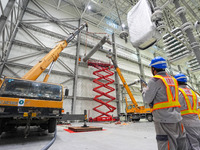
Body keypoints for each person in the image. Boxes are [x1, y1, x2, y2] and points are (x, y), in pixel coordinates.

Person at [142, 56, 188, 150]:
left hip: (164, 119)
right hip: (177, 117)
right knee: (180, 143)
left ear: (153, 69)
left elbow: (147, 99)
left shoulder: (154, 80)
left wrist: (144, 90)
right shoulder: (174, 80)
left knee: (165, 143)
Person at [174, 73, 200, 150]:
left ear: (176, 82)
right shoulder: (193, 93)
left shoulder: (178, 93)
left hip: (186, 122)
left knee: (192, 145)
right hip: (196, 121)